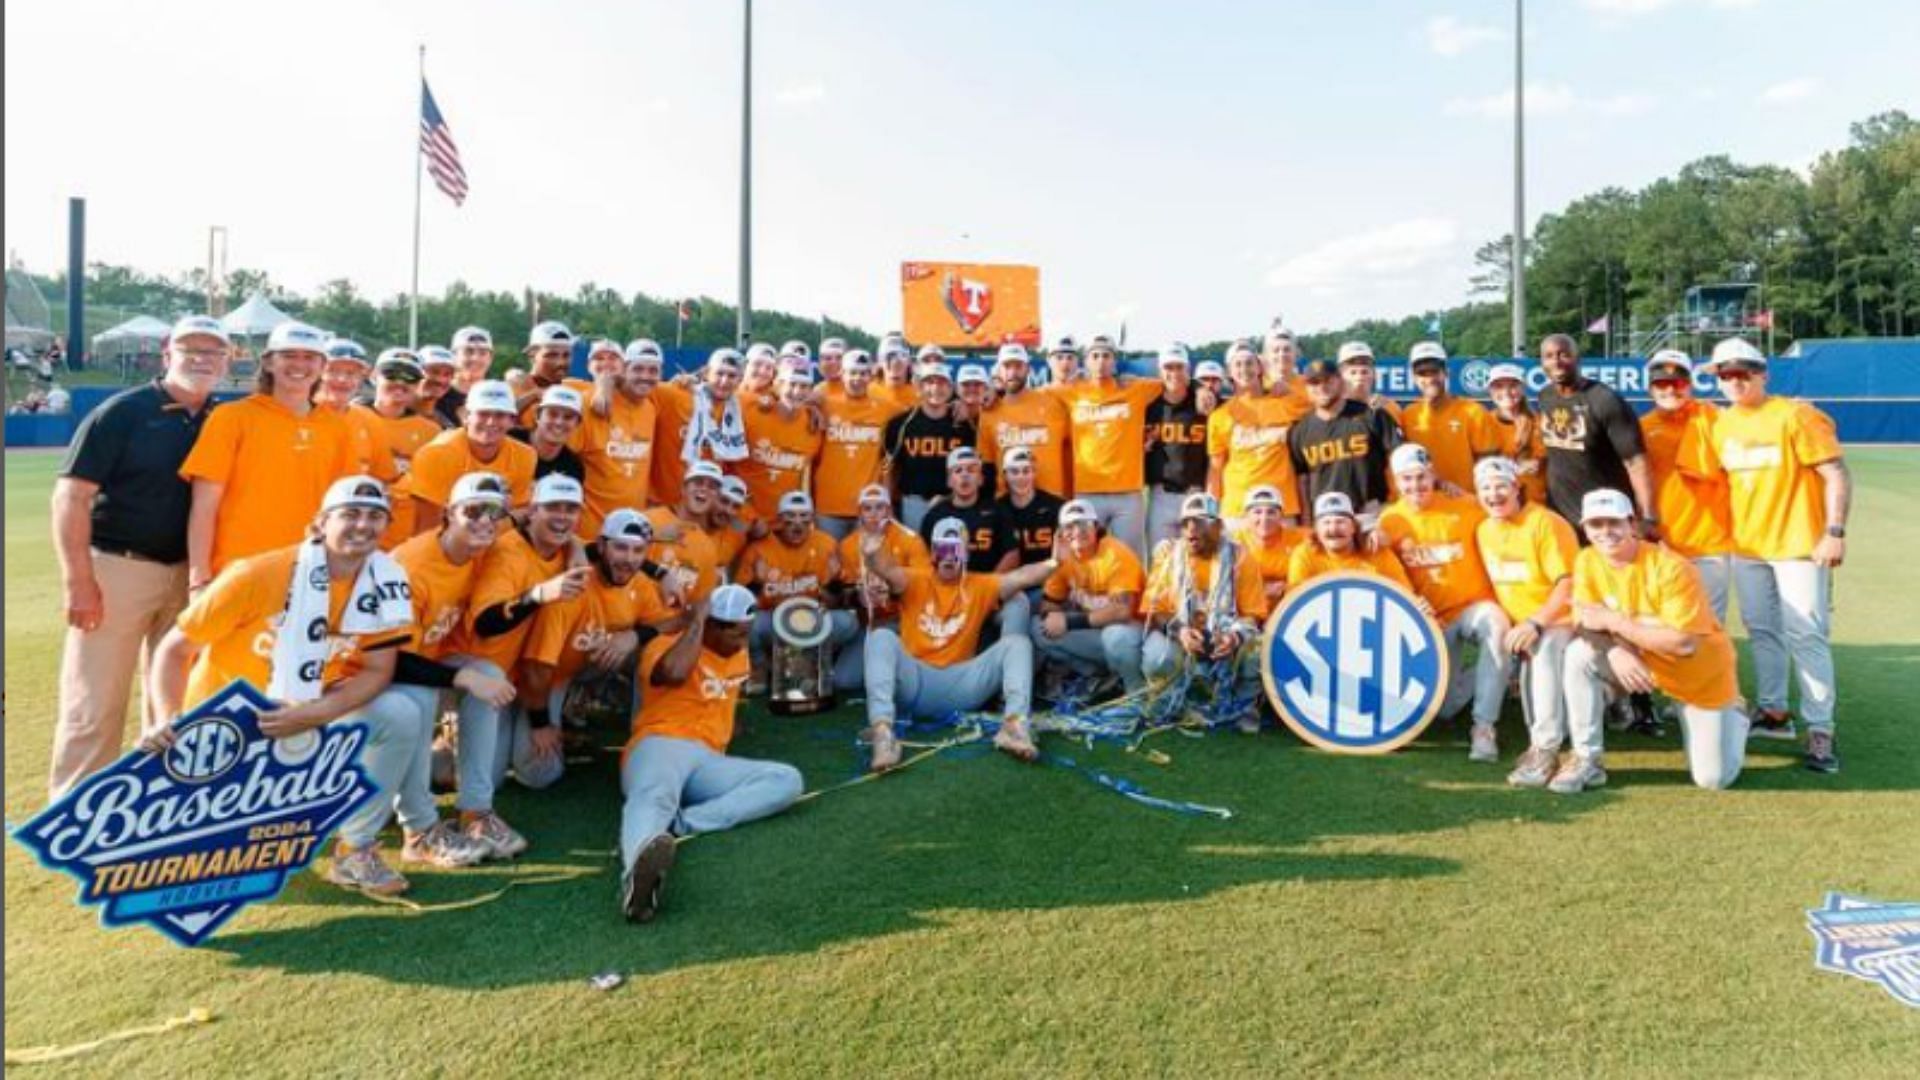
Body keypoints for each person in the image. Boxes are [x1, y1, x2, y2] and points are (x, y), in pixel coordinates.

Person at [141, 476, 426, 894]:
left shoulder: (385, 580)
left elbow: (377, 671)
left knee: (401, 712)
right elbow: (174, 650)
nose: (363, 525)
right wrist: (168, 719)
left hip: (307, 713)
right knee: (215, 868)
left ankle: (354, 849)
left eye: (374, 516)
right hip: (229, 726)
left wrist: (316, 713)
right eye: (350, 514)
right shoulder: (258, 573)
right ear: (320, 522)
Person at [47, 315, 230, 798]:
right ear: (168, 352)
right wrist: (78, 582)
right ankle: (75, 818)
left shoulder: (224, 417)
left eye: (213, 352)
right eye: (191, 348)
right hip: (118, 568)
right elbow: (70, 498)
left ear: (227, 362)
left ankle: (158, 812)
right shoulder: (123, 412)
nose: (201, 359)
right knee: (95, 703)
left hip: (193, 575)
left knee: (175, 705)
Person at [617, 585, 805, 923]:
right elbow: (673, 674)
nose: (743, 642)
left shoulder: (738, 653)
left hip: (708, 760)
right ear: (712, 625)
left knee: (786, 779)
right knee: (654, 795)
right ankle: (638, 878)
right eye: (737, 634)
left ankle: (678, 826)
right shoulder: (664, 646)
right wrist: (696, 622)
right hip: (659, 744)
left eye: (747, 634)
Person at [1706, 337, 1849, 771]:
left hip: (1799, 546)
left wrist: (1834, 531)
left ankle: (1821, 729)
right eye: (1725, 374)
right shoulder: (1720, 424)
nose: (1735, 380)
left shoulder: (1795, 415)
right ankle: (1773, 713)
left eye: (1743, 371)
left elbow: (1836, 474)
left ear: (1763, 373)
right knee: (1762, 631)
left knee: (1806, 635)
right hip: (1748, 548)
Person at [439, 474, 595, 856]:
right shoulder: (506, 551)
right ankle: (437, 751)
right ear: (532, 512)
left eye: (570, 509)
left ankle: (476, 742)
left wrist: (660, 575)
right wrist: (541, 594)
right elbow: (487, 622)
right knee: (481, 778)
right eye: (552, 508)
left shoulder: (568, 548)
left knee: (539, 772)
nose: (562, 517)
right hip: (478, 675)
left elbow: (617, 551)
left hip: (519, 677)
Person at [1567, 489, 1749, 790]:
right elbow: (1583, 620)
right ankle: (1587, 759)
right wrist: (1614, 651)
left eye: (1614, 522)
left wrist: (1614, 622)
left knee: (1713, 779)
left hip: (1698, 676)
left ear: (1632, 524)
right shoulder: (1587, 559)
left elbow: (1684, 644)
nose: (1605, 532)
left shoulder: (1672, 568)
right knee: (1578, 655)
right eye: (1595, 524)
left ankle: (1735, 714)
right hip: (1640, 665)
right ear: (1585, 528)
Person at [390, 471, 524, 862]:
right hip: (372, 673)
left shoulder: (483, 553)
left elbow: (559, 535)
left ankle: (475, 812)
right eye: (474, 510)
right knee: (418, 696)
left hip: (428, 658)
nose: (485, 520)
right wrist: (462, 676)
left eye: (493, 513)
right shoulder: (412, 564)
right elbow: (390, 660)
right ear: (448, 513)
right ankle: (418, 830)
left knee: (491, 676)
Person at [858, 517, 1059, 770]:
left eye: (956, 550)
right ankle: (883, 733)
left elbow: (1022, 577)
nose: (949, 557)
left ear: (965, 554)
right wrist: (873, 549)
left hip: (963, 685)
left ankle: (1014, 726)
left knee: (1018, 644)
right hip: (916, 682)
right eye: (943, 549)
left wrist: (1056, 561)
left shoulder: (980, 585)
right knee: (881, 637)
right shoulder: (914, 579)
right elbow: (885, 568)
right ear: (932, 553)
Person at [180, 321, 356, 589]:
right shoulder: (232, 417)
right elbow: (204, 506)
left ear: (322, 367)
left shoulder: (338, 427)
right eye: (288, 355)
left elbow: (341, 511)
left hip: (309, 574)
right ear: (269, 363)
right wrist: (198, 577)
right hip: (237, 574)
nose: (299, 365)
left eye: (309, 357)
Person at [1377, 444, 1512, 762]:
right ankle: (1499, 671)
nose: (1415, 485)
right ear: (1396, 481)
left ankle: (1483, 727)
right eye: (1407, 479)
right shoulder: (1391, 519)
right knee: (1445, 708)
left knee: (1496, 626)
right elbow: (1383, 573)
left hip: (1474, 607)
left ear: (1433, 474)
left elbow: (1507, 521)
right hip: (1432, 621)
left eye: (1421, 477)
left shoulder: (1465, 504)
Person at [1473, 457, 1590, 792]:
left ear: (1516, 488)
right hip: (1525, 626)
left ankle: (1546, 750)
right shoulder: (1484, 529)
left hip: (1561, 619)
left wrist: (1536, 623)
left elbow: (1568, 583)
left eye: (1501, 486)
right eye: (1485, 488)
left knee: (1546, 646)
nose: (1494, 494)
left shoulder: (1544, 523)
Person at [521, 508, 677, 742]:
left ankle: (646, 733)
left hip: (589, 661)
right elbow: (536, 669)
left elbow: (671, 622)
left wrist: (635, 635)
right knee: (538, 772)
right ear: (602, 547)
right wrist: (540, 724)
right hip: (549, 675)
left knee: (660, 645)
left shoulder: (642, 584)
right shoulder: (573, 583)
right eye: (621, 547)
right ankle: (572, 698)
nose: (629, 559)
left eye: (638, 550)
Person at [1140, 494, 1267, 727]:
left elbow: (1253, 613)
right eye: (1185, 523)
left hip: (1224, 635)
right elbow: (1154, 611)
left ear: (1219, 526)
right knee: (1158, 656)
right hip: (1180, 633)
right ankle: (1168, 705)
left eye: (1200, 523)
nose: (1191, 530)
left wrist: (1234, 637)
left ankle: (1242, 707)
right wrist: (1181, 631)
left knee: (1258, 650)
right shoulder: (1168, 556)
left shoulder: (1241, 557)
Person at [1640, 350, 1734, 621]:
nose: (1670, 389)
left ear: (1689, 385)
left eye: (1678, 383)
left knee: (1710, 620)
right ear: (1650, 389)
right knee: (1662, 617)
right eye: (1661, 384)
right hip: (1662, 540)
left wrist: (1790, 405)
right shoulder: (1641, 428)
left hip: (1710, 540)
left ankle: (1713, 665)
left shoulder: (1714, 417)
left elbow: (1754, 420)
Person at [736, 490, 860, 688]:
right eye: (790, 516)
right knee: (748, 623)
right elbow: (742, 604)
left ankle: (809, 661)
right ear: (779, 518)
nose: (797, 522)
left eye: (803, 516)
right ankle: (759, 667)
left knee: (848, 623)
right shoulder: (759, 548)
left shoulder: (826, 544)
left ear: (811, 518)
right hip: (773, 619)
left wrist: (830, 585)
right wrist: (759, 585)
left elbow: (841, 602)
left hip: (811, 620)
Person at [1535, 333, 1655, 535]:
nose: (1556, 361)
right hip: (1561, 517)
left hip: (1605, 518)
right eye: (1549, 356)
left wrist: (1648, 517)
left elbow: (1636, 463)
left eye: (1564, 354)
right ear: (1542, 362)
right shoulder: (1545, 396)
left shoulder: (1605, 400)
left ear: (1577, 358)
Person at [1058, 335, 1159, 555]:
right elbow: (1035, 395)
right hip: (1088, 491)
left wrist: (1201, 388)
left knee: (1131, 558)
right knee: (1086, 557)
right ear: (1086, 361)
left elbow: (1173, 383)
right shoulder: (1072, 391)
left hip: (1128, 492)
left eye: (1106, 355)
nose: (1101, 361)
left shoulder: (1135, 389)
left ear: (1114, 361)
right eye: (1095, 355)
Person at [1034, 500, 1147, 694]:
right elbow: (1048, 604)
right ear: (1061, 533)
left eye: (1083, 524)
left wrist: (1068, 621)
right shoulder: (1064, 557)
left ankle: (1137, 692)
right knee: (1038, 628)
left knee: (1115, 636)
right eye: (1070, 526)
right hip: (1097, 631)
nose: (1077, 531)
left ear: (1096, 527)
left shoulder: (1114, 553)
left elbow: (1122, 611)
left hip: (1135, 633)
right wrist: (1054, 565)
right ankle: (1100, 677)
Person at [920, 446, 1025, 639]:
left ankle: (1009, 659)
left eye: (971, 470)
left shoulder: (998, 511)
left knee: (1019, 602)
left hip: (989, 591)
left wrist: (987, 589)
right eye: (958, 471)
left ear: (981, 479)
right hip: (949, 593)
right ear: (949, 480)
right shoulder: (935, 516)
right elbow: (924, 560)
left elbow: (1012, 556)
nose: (965, 476)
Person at [408, 379, 539, 533]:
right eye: (483, 413)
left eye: (500, 415)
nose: (491, 422)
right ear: (466, 416)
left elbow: (520, 511)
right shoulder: (436, 454)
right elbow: (427, 530)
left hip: (491, 540)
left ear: (512, 421)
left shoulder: (525, 455)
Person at [1208, 341, 1311, 526]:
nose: (1244, 369)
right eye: (1237, 364)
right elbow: (1216, 469)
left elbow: (1324, 406)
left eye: (1249, 363)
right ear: (1229, 372)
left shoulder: (1285, 403)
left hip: (1281, 504)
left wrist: (1286, 389)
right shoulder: (1220, 416)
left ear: (1260, 366)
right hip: (1237, 507)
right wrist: (1210, 512)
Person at [1288, 355, 1401, 523]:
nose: (1322, 387)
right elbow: (1303, 481)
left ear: (1340, 382)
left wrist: (1395, 504)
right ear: (1306, 388)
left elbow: (1398, 459)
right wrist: (1307, 520)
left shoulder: (1371, 415)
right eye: (1314, 383)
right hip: (1326, 518)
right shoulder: (1299, 431)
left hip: (1369, 512)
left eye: (1328, 380)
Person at [361, 351, 446, 548]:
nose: (400, 383)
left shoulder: (432, 432)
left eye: (410, 377)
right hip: (353, 530)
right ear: (374, 376)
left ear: (418, 385)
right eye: (391, 374)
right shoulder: (350, 417)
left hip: (402, 539)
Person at [577, 339, 661, 536]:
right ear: (623, 370)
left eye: (653, 371)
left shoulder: (651, 407)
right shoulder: (591, 401)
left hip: (631, 529)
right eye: (638, 369)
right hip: (591, 528)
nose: (645, 376)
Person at [815, 348, 901, 540]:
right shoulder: (825, 403)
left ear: (871, 376)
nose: (857, 378)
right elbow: (796, 401)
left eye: (863, 373)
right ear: (842, 374)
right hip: (829, 505)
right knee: (830, 565)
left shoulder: (886, 408)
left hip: (869, 506)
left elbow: (917, 415)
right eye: (852, 372)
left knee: (865, 568)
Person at [881, 361, 973, 531]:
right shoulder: (901, 423)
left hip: (954, 501)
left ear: (951, 388)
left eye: (942, 382)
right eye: (930, 382)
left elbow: (974, 469)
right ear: (919, 386)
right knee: (916, 553)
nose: (936, 388)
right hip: (913, 502)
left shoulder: (963, 425)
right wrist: (888, 505)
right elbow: (888, 468)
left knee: (953, 556)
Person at [651, 348, 749, 508]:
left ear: (740, 380)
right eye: (719, 373)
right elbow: (634, 385)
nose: (724, 381)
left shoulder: (738, 411)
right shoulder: (677, 394)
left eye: (732, 376)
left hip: (700, 508)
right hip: (662, 504)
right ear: (706, 373)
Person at [1400, 342, 1502, 492]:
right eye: (1422, 373)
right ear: (1414, 377)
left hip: (1466, 504)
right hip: (1424, 504)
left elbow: (1490, 464)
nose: (1429, 379)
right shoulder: (1408, 415)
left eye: (1434, 371)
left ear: (1446, 372)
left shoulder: (1473, 412)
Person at [977, 343, 1071, 499]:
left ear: (1028, 369)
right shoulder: (989, 411)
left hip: (1051, 500)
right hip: (1007, 503)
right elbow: (987, 465)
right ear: (998, 371)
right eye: (1007, 366)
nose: (1013, 372)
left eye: (1018, 366)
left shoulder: (1052, 403)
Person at [1144, 345, 1215, 550]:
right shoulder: (1149, 407)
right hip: (1161, 495)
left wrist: (1200, 387)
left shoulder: (1205, 403)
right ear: (1160, 371)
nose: (1174, 373)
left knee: (1198, 560)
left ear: (1188, 370)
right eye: (1169, 367)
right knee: (1161, 559)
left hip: (1195, 493)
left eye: (1179, 367)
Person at [838, 483, 931, 631]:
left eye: (879, 507)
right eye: (867, 508)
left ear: (889, 510)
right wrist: (859, 594)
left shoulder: (910, 540)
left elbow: (925, 582)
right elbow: (844, 591)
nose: (873, 514)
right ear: (860, 513)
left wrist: (892, 587)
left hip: (904, 620)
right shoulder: (847, 545)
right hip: (866, 623)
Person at [1285, 491, 1417, 594]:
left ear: (1354, 527)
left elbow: (1405, 594)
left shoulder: (1375, 550)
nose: (1333, 529)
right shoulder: (1304, 555)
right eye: (1326, 522)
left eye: (1340, 521)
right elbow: (1294, 601)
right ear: (1317, 530)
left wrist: (1418, 607)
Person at [739, 362, 824, 519]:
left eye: (804, 386)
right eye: (792, 384)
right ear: (778, 385)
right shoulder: (752, 411)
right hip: (743, 514)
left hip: (785, 520)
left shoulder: (813, 425)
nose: (797, 391)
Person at [319, 339, 398, 482]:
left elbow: (384, 479)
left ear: (361, 378)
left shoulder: (370, 421)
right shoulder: (300, 415)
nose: (342, 379)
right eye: (333, 371)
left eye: (351, 373)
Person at [1231, 485, 1311, 615]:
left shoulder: (1301, 539)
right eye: (1257, 512)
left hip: (1290, 610)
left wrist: (1287, 587)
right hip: (1246, 612)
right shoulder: (1233, 542)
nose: (1264, 518)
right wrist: (1260, 590)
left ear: (1282, 516)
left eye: (1271, 512)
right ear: (1246, 516)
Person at [1484, 363, 1548, 506]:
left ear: (1522, 388)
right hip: (1497, 503)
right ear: (1490, 391)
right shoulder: (1484, 423)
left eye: (1513, 385)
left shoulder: (1538, 422)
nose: (1506, 392)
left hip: (1534, 504)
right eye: (1499, 386)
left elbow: (1535, 464)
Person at [510, 385, 587, 484]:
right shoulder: (510, 438)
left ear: (577, 424)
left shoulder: (573, 467)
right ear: (538, 416)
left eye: (568, 417)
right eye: (552, 414)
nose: (559, 422)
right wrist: (533, 395)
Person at [515, 320, 578, 419]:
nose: (560, 362)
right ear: (532, 355)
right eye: (551, 355)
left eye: (566, 355)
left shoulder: (577, 388)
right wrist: (532, 396)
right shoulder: (514, 388)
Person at [1336, 343, 1403, 425]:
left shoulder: (1390, 408)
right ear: (1340, 374)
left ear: (1374, 373)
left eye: (1365, 362)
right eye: (1351, 363)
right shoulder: (1329, 409)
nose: (1360, 367)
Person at [417, 346, 464, 428]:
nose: (440, 380)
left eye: (448, 374)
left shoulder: (451, 419)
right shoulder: (396, 411)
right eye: (434, 372)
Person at [451, 325, 494, 402]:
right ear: (454, 356)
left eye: (482, 353)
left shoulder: (497, 398)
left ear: (490, 358)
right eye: (469, 351)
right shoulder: (437, 395)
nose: (475, 358)